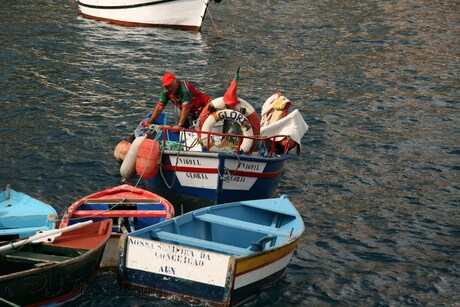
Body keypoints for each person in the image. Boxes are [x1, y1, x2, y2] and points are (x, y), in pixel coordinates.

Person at [143, 72, 211, 130]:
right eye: (167, 87)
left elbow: (186, 109)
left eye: (171, 86)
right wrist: (149, 122)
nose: (169, 89)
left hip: (203, 109)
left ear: (176, 82)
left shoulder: (185, 89)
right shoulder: (166, 91)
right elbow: (159, 107)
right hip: (190, 112)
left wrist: (179, 125)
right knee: (184, 127)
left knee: (195, 128)